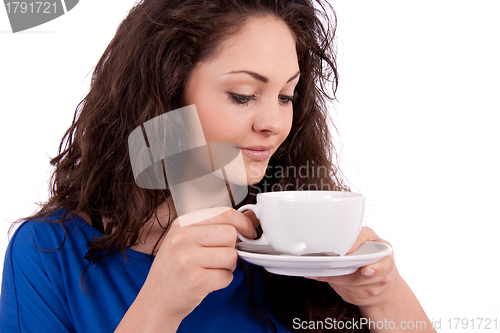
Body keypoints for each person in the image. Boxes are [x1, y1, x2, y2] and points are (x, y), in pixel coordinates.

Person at [0, 0, 435, 332]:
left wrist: (384, 294)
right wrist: (158, 307)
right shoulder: (48, 252)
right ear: (166, 96)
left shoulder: (298, 254)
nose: (274, 123)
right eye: (243, 95)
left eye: (286, 96)